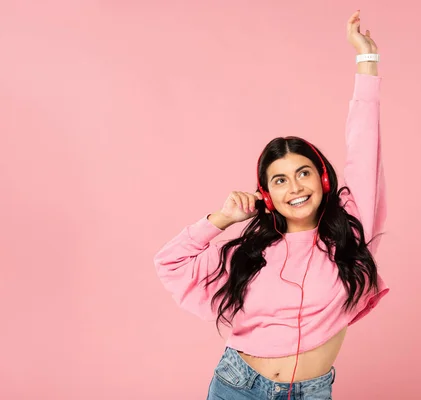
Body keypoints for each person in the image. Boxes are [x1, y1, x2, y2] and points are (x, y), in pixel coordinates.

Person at [154, 10, 389, 400]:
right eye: (279, 180)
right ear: (267, 194)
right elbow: (169, 263)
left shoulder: (350, 229)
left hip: (312, 391)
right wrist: (222, 220)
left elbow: (365, 147)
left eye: (304, 173)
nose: (295, 187)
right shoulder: (249, 251)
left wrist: (366, 60)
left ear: (324, 179)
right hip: (238, 386)